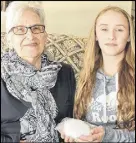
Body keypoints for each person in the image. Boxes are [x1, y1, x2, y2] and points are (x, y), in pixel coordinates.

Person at [1, 1, 76, 142]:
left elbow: (74, 117)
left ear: (45, 36)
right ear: (10, 38)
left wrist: (71, 129)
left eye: (36, 28)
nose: (30, 36)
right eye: (20, 29)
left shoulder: (65, 73)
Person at [61, 6, 135, 142]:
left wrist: (106, 135)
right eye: (104, 29)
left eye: (119, 29)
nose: (111, 36)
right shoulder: (81, 78)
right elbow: (71, 118)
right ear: (96, 34)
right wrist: (70, 130)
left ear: (129, 36)